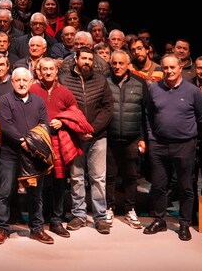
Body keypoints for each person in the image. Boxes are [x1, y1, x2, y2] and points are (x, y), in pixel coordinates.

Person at [143, 54, 202, 241]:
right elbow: (148, 115)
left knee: (185, 186)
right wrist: (151, 137)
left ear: (180, 68)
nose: (169, 71)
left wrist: (194, 140)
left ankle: (184, 224)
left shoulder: (193, 91)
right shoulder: (154, 89)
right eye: (165, 67)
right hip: (159, 144)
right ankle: (160, 220)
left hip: (185, 145)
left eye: (172, 67)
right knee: (158, 185)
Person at [0, 66, 53, 245]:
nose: (21, 83)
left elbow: (44, 124)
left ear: (31, 81)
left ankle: (37, 229)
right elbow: (6, 125)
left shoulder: (38, 101)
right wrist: (23, 141)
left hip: (34, 155)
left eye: (25, 80)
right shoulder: (5, 100)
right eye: (17, 80)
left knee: (36, 194)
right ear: (12, 82)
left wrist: (32, 144)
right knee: (5, 192)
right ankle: (2, 228)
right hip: (10, 154)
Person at [60, 47, 113, 233]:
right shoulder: (64, 80)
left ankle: (100, 217)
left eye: (90, 59)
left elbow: (108, 108)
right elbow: (63, 108)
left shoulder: (101, 80)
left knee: (98, 178)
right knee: (76, 177)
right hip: (74, 137)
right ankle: (79, 215)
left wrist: (92, 129)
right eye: (84, 58)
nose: (87, 62)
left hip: (98, 136)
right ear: (76, 59)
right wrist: (78, 129)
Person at [28, 56, 80, 237]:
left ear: (57, 71)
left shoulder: (65, 92)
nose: (48, 72)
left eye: (51, 69)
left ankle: (56, 220)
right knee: (39, 183)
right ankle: (38, 221)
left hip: (58, 141)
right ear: (39, 72)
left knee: (59, 182)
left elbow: (75, 113)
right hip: (39, 143)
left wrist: (63, 121)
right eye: (45, 69)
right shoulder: (33, 90)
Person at [105, 49, 147, 229]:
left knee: (131, 177)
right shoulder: (104, 82)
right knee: (109, 176)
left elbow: (145, 113)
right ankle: (108, 208)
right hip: (109, 138)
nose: (117, 66)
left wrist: (143, 137)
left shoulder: (140, 83)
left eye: (121, 63)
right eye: (114, 63)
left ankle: (130, 210)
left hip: (132, 138)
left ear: (128, 64)